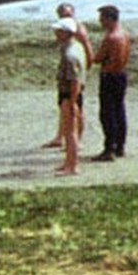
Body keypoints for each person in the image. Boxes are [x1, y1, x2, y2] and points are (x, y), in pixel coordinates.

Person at [42, 3, 89, 148]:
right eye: (62, 15)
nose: (65, 17)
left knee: (75, 108)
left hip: (75, 73)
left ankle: (77, 141)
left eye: (68, 14)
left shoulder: (78, 30)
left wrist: (84, 71)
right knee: (64, 108)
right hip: (68, 73)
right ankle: (60, 137)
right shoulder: (63, 34)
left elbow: (87, 50)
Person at [91, 4, 131, 161]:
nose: (100, 22)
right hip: (121, 74)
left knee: (107, 114)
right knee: (119, 110)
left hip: (110, 75)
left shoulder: (111, 38)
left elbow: (98, 58)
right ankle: (120, 146)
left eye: (102, 19)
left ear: (109, 19)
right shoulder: (125, 34)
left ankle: (109, 149)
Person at [52, 17, 86, 176]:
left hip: (69, 95)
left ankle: (72, 166)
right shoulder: (76, 47)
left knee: (70, 131)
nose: (55, 33)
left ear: (66, 33)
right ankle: (68, 162)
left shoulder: (70, 55)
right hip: (70, 94)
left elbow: (75, 81)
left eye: (58, 31)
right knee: (69, 130)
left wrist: (72, 102)